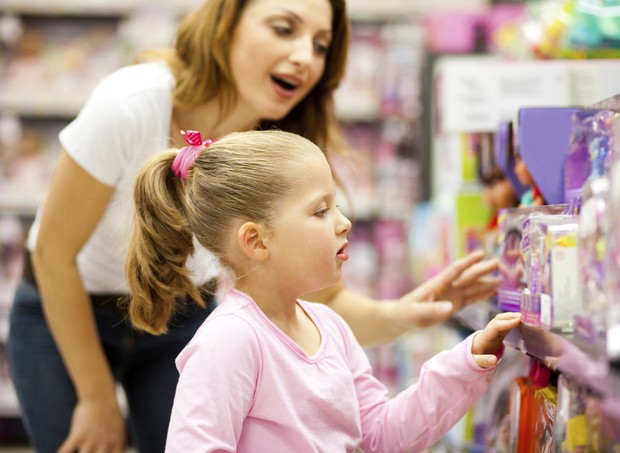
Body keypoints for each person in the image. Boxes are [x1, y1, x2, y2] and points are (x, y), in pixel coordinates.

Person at [8, 0, 499, 451]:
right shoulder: (132, 101)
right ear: (227, 24)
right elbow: (53, 253)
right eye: (284, 29)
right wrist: (95, 398)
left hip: (180, 307)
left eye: (321, 45)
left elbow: (319, 308)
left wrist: (410, 313)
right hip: (67, 304)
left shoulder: (279, 150)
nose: (305, 56)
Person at [127, 129, 521, 452]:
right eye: (321, 210)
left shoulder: (330, 328)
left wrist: (465, 364)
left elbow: (380, 437)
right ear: (257, 241)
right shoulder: (231, 340)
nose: (345, 222)